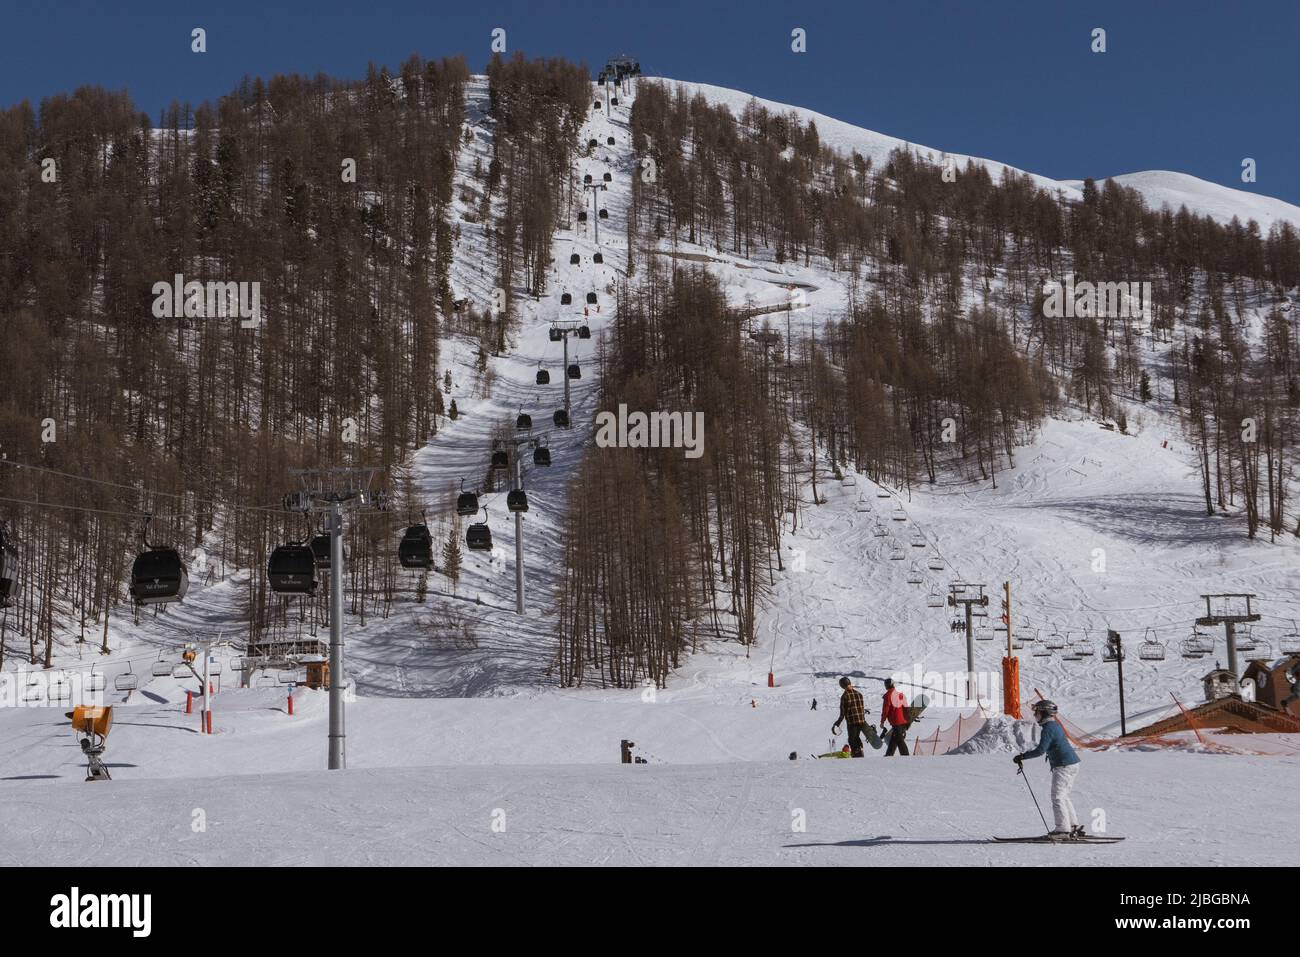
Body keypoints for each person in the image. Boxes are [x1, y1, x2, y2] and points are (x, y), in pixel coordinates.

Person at [1014, 699, 1083, 840]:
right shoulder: (1053, 726)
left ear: (1044, 713)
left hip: (1064, 765)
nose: (1035, 715)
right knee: (1063, 796)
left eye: (1037, 712)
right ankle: (1072, 826)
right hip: (1070, 763)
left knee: (1057, 797)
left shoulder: (1048, 729)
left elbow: (1040, 750)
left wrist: (1022, 756)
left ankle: (1063, 830)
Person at [831, 677, 872, 757]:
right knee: (856, 737)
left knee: (852, 740)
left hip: (852, 722)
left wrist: (837, 723)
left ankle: (857, 755)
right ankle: (860, 750)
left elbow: (842, 714)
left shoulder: (845, 696)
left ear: (842, 686)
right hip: (861, 721)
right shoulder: (859, 694)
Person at [880, 678, 911, 756]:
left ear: (886, 686)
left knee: (899, 740)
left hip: (896, 721)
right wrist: (908, 720)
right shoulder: (900, 694)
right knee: (894, 738)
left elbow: (885, 710)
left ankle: (906, 756)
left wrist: (882, 721)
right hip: (903, 720)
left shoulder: (888, 696)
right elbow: (906, 708)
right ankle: (889, 755)